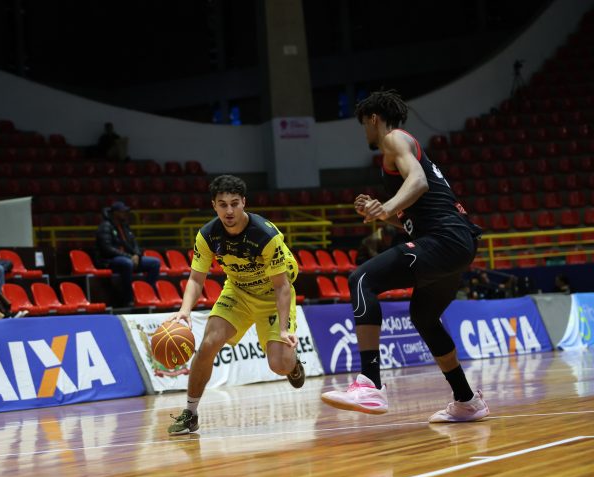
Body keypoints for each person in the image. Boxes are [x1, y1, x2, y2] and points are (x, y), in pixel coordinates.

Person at [320, 90, 489, 423]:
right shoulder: (400, 150)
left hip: (444, 239)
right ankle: (467, 400)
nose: (365, 133)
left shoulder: (394, 139)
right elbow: (413, 214)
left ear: (373, 119)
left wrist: (386, 206)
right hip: (456, 242)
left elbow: (419, 181)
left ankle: (370, 384)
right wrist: (382, 213)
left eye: (364, 125)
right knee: (424, 317)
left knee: (361, 279)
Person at [166, 175, 303, 435]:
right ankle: (190, 414)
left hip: (271, 296)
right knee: (208, 344)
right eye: (222, 204)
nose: (229, 211)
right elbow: (196, 278)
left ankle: (293, 365)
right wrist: (184, 311)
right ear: (214, 206)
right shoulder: (207, 235)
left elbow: (281, 286)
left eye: (234, 204)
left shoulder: (265, 235)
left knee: (280, 365)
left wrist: (285, 329)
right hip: (238, 291)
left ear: (244, 203)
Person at [95, 200, 160, 306]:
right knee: (127, 263)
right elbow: (107, 249)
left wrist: (137, 255)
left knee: (155, 263)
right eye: (122, 211)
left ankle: (145, 293)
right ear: (115, 213)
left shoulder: (124, 226)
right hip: (110, 260)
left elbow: (134, 243)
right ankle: (128, 299)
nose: (125, 213)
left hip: (129, 258)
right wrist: (129, 257)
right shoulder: (105, 226)